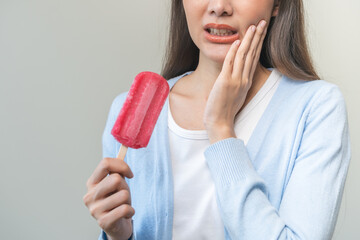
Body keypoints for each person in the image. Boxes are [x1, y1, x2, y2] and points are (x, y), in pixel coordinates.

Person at [83, 0, 351, 239]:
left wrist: (221, 127)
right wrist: (119, 236)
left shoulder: (317, 108)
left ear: (278, 3)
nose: (219, 6)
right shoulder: (130, 110)